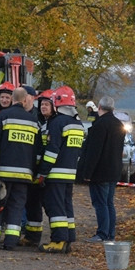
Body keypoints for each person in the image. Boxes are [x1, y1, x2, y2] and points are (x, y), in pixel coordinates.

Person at [0, 87, 39, 250]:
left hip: (3, 172)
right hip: (24, 175)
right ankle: (11, 243)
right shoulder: (33, 121)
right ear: (24, 101)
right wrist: (33, 171)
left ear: (13, 99)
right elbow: (37, 151)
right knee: (16, 207)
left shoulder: (2, 116)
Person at [37, 86, 84, 254]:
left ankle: (58, 240)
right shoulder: (78, 124)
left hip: (55, 173)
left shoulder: (57, 122)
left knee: (55, 208)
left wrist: (42, 172)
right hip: (70, 173)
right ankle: (68, 238)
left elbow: (51, 151)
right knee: (66, 207)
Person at [77, 96, 126, 242]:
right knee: (109, 203)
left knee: (100, 203)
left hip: (100, 172)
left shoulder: (99, 125)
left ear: (99, 107)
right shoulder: (119, 125)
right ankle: (110, 233)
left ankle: (102, 234)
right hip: (114, 171)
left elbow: (94, 152)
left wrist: (87, 173)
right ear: (113, 108)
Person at [22, 89, 55, 246]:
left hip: (48, 173)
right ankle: (32, 237)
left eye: (47, 104)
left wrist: (42, 171)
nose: (43, 107)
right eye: (42, 104)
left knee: (49, 205)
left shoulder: (53, 124)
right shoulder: (41, 121)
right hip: (36, 170)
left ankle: (57, 237)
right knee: (32, 203)